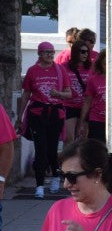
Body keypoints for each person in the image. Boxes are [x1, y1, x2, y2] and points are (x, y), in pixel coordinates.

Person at [16, 42, 71, 199]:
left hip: (54, 113)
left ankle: (55, 176)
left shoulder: (60, 70)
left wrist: (58, 94)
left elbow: (69, 94)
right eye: (46, 52)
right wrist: (20, 116)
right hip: (37, 113)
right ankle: (39, 185)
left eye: (52, 52)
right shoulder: (32, 71)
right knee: (41, 148)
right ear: (39, 54)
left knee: (52, 149)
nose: (50, 55)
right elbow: (26, 94)